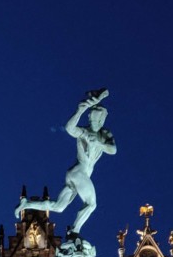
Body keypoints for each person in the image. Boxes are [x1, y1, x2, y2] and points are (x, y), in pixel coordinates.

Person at [15, 89, 116, 235]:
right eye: (93, 120)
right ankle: (75, 231)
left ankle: (27, 204)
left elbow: (113, 150)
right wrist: (80, 111)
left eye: (98, 120)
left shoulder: (104, 134)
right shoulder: (84, 132)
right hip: (79, 173)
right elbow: (69, 128)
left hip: (75, 175)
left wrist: (99, 144)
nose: (96, 122)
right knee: (91, 204)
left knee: (59, 207)